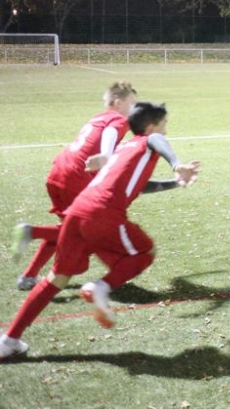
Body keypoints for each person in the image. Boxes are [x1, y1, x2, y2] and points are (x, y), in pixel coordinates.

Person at [0, 101, 201, 360]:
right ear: (151, 126)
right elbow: (156, 140)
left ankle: (9, 340)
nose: (166, 130)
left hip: (78, 210)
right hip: (103, 212)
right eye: (164, 124)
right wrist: (176, 164)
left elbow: (139, 185)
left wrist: (174, 183)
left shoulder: (124, 149)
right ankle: (101, 288)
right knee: (145, 252)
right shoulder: (148, 140)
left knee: (56, 279)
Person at [11, 81, 138, 291]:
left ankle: (29, 275)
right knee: (81, 234)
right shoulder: (118, 119)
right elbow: (109, 137)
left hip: (59, 171)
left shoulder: (98, 118)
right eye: (132, 104)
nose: (134, 109)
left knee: (66, 228)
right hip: (76, 177)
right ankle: (32, 232)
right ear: (118, 103)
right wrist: (107, 154)